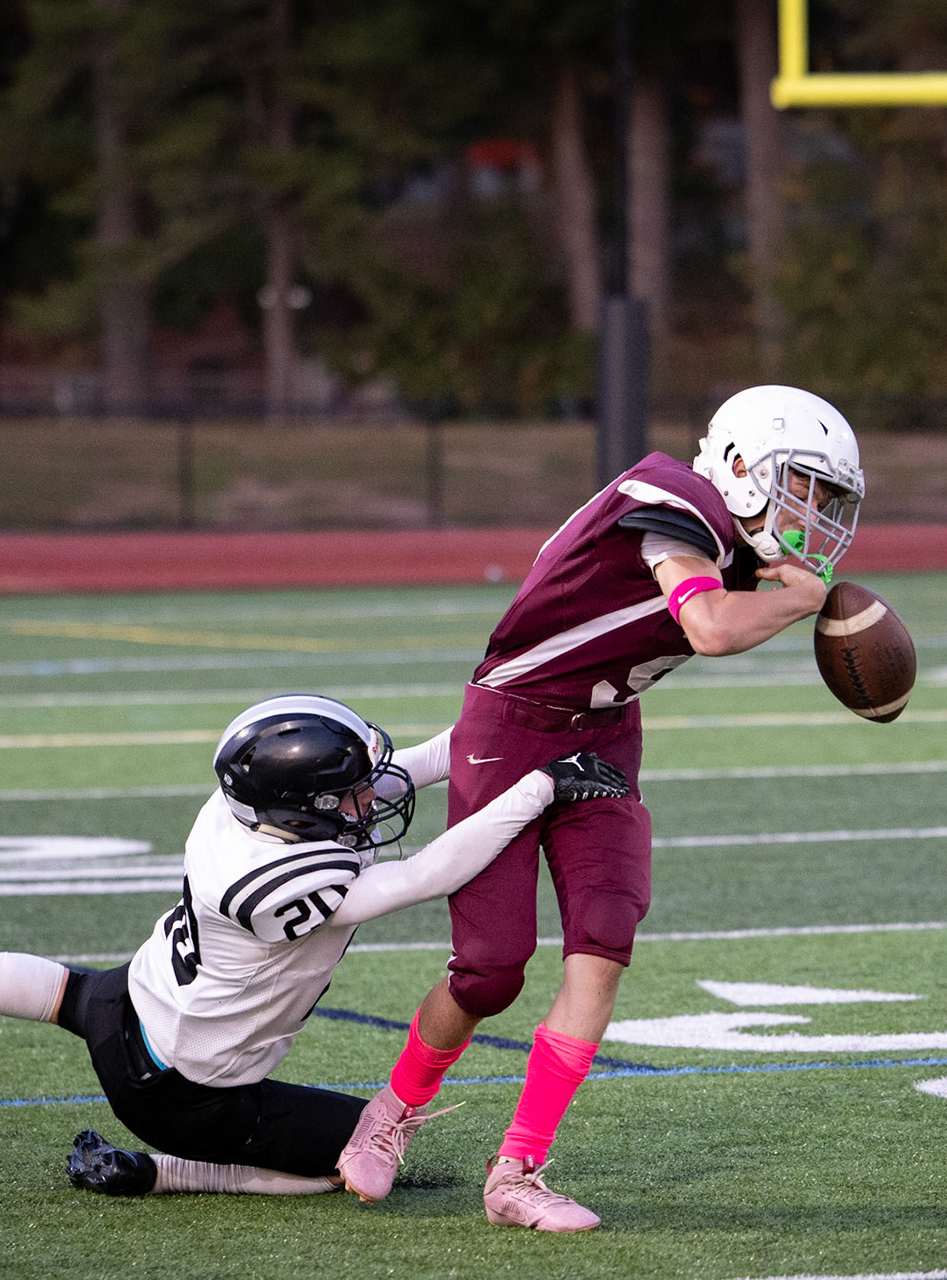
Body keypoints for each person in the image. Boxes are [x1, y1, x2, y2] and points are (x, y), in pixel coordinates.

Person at [335, 385, 864, 1231]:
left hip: (604, 736)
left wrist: (794, 596)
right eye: (803, 486)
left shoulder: (730, 536)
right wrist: (801, 600)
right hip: (510, 724)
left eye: (827, 499)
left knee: (604, 941)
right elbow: (713, 629)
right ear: (739, 468)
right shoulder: (672, 500)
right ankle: (390, 1110)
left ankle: (517, 1172)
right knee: (491, 968)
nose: (814, 514)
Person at [0, 694, 627, 1197]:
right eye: (352, 792)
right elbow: (431, 872)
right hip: (188, 1093)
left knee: (63, 993)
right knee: (356, 1164)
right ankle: (157, 1173)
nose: (371, 797)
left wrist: (510, 733)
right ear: (299, 809)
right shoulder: (279, 883)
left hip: (132, 1004)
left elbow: (413, 769)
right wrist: (543, 787)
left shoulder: (241, 814)